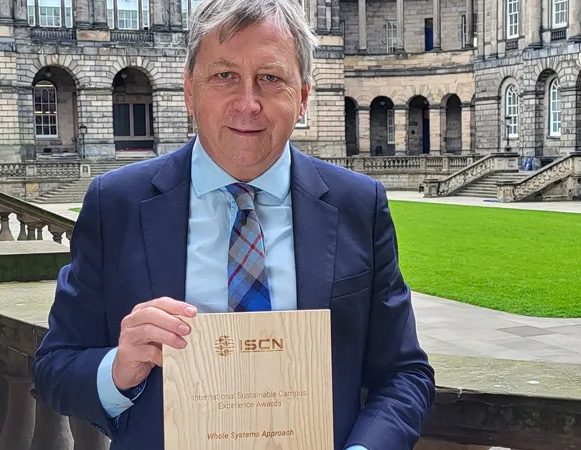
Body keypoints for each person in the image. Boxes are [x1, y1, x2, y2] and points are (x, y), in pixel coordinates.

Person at [31, 0, 436, 448]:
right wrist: (118, 369)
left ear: (302, 98)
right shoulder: (117, 204)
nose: (248, 104)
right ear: (190, 91)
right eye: (224, 76)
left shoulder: (359, 205)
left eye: (271, 78)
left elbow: (404, 374)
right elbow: (55, 367)